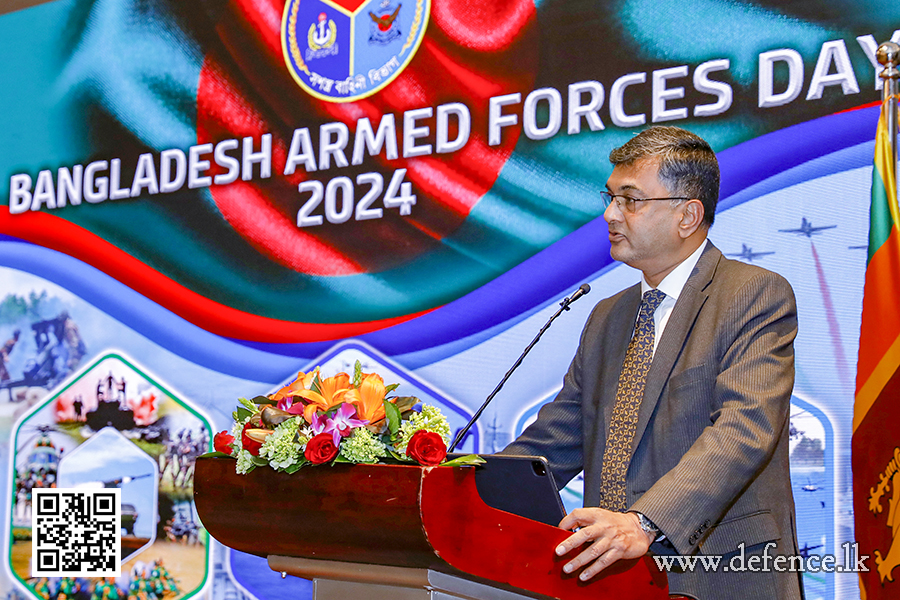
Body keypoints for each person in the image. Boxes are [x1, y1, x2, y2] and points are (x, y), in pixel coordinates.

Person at [502, 126, 802, 599]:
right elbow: (554, 442)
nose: (609, 214)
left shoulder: (753, 295)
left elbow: (744, 429)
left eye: (630, 199)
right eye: (610, 197)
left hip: (717, 574)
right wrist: (455, 483)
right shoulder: (608, 315)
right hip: (612, 579)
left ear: (688, 215)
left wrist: (644, 521)